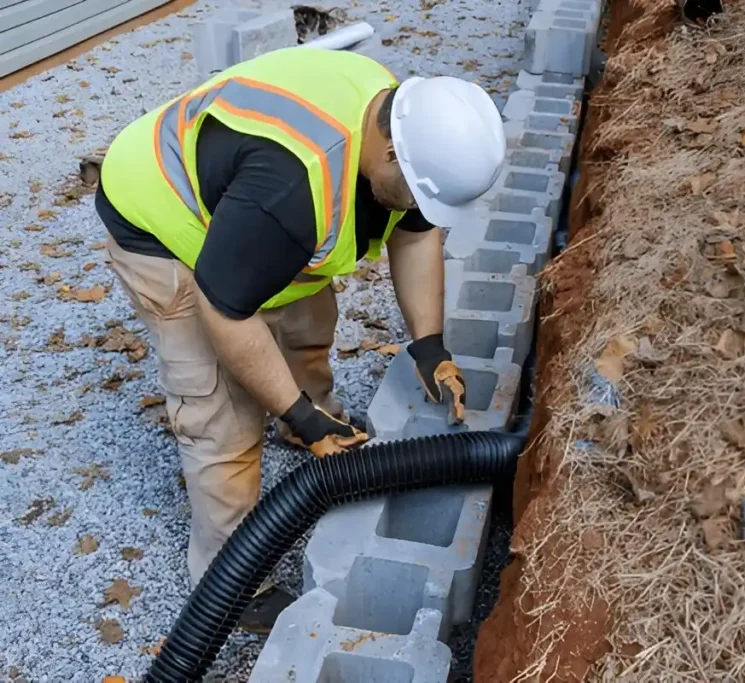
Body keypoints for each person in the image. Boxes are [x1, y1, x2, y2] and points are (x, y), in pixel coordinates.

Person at [93, 46, 506, 631]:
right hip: (162, 217)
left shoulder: (405, 122)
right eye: (417, 192)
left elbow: (414, 235)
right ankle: (229, 580)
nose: (419, 207)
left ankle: (310, 424)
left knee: (307, 321)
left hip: (250, 205)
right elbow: (226, 311)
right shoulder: (291, 186)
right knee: (222, 415)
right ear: (389, 155)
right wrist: (292, 408)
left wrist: (429, 343)